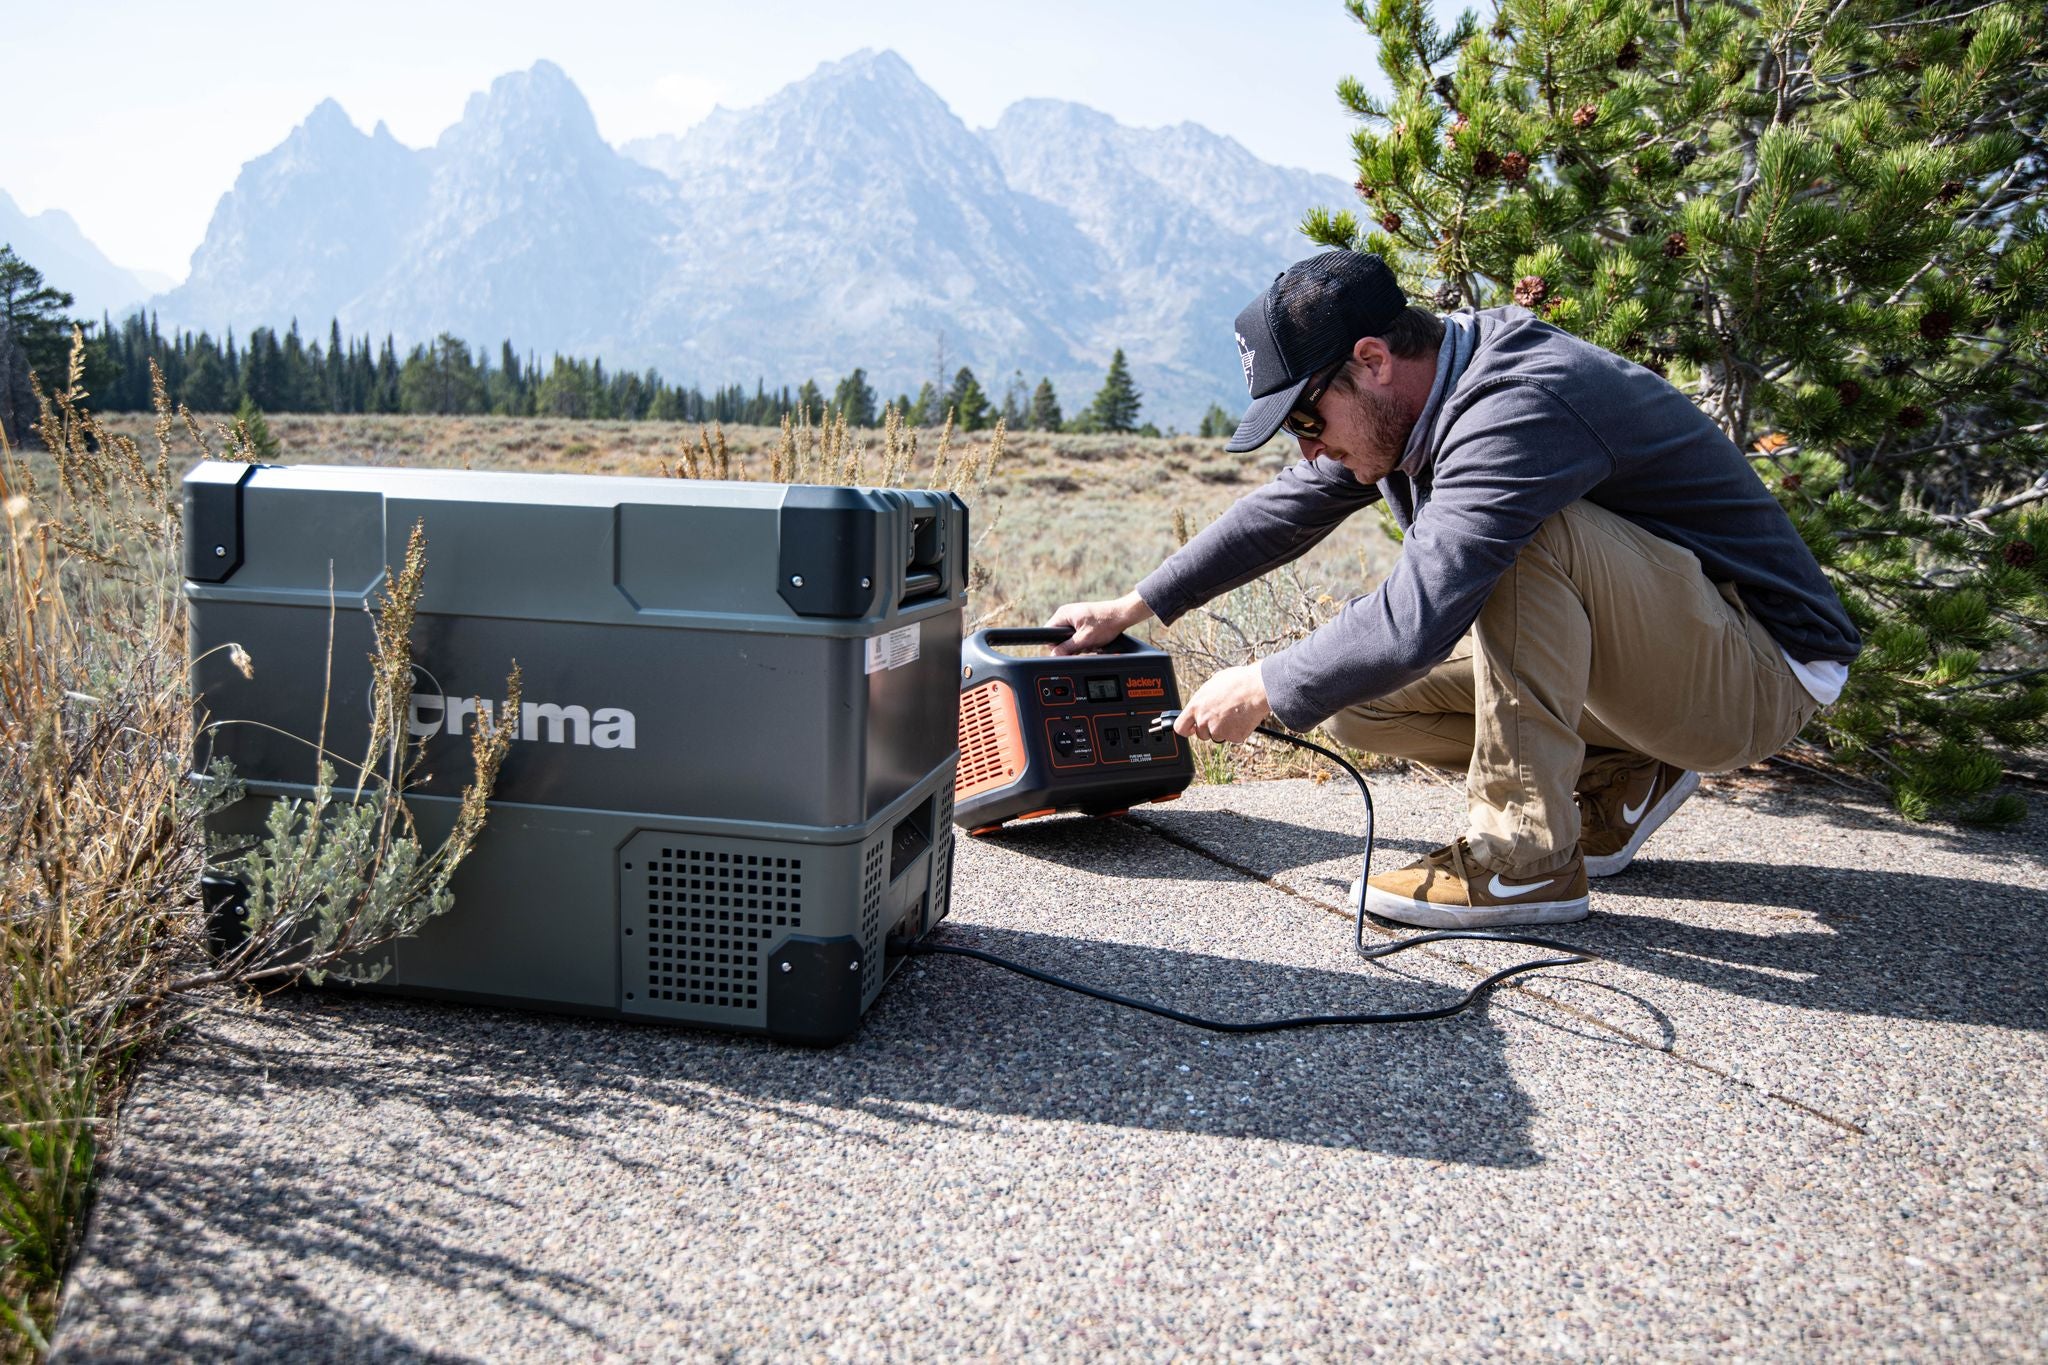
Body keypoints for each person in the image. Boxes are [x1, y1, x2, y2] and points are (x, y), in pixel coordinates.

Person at [1047, 250, 1860, 929]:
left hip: (1758, 673)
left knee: (1528, 535)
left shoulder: (1514, 407)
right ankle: (1625, 771)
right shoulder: (1422, 394)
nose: (1307, 451)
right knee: (1356, 698)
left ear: (1372, 360)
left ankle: (1523, 858)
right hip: (1668, 656)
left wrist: (1262, 682)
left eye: (1306, 420)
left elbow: (1419, 619)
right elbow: (1291, 507)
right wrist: (1135, 605)